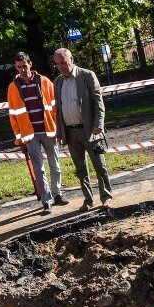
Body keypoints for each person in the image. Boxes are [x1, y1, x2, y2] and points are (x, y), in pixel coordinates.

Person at [7, 52, 69, 215]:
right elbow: (13, 115)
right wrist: (19, 139)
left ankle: (57, 194)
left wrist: (58, 129)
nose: (22, 70)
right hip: (30, 135)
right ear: (16, 67)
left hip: (48, 130)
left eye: (24, 66)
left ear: (30, 64)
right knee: (39, 169)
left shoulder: (44, 82)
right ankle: (46, 200)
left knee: (54, 164)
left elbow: (55, 108)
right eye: (19, 67)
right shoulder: (13, 87)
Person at [53, 48, 113, 212]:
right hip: (71, 133)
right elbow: (58, 110)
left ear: (71, 59)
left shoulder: (87, 75)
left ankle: (106, 197)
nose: (61, 67)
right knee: (80, 169)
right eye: (58, 64)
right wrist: (60, 133)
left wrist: (98, 124)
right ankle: (88, 200)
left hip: (91, 131)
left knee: (99, 165)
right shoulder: (57, 82)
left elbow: (98, 102)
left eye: (63, 63)